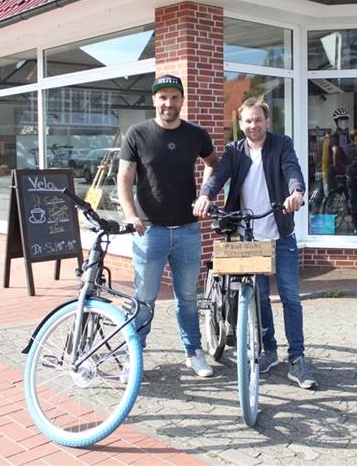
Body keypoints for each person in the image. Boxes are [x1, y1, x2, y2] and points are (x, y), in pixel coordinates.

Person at [193, 96, 317, 389]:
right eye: (247, 121)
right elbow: (219, 176)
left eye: (258, 120)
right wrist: (205, 195)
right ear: (241, 124)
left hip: (281, 233)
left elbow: (292, 171)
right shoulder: (235, 151)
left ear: (267, 121)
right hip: (249, 235)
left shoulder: (281, 144)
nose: (253, 125)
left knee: (290, 298)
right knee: (259, 297)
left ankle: (297, 359)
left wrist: (296, 192)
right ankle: (269, 350)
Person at [117, 74, 219, 378]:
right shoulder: (137, 134)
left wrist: (205, 194)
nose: (168, 103)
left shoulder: (195, 135)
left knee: (188, 297)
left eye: (174, 97)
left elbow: (214, 162)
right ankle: (133, 354)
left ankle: (193, 352)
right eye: (163, 97)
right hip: (150, 231)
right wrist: (131, 214)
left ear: (182, 100)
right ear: (154, 100)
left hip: (188, 230)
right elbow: (124, 178)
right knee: (144, 298)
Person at [320, 107, 357, 228]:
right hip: (335, 176)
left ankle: (356, 226)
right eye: (341, 120)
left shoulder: (356, 139)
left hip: (351, 175)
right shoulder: (329, 140)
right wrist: (325, 182)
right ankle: (329, 227)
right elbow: (324, 162)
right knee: (331, 204)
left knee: (353, 203)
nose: (344, 123)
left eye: (345, 120)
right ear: (337, 122)